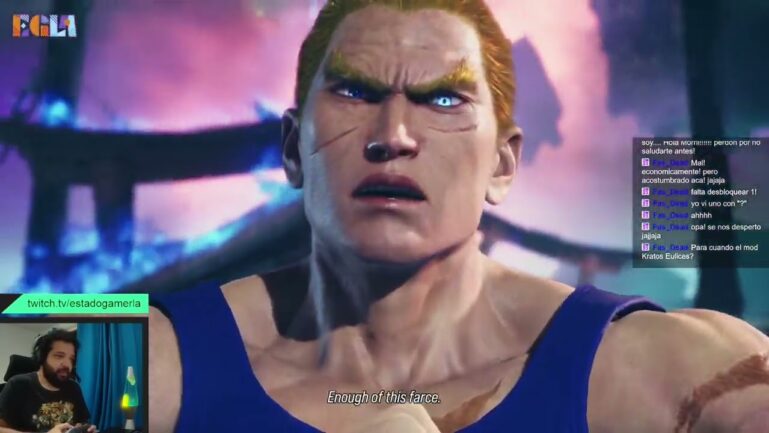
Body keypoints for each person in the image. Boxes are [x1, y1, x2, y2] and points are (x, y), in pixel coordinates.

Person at [149, 1, 769, 432]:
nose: (394, 135)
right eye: (355, 93)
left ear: (502, 163)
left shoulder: (664, 363)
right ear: (292, 149)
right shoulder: (146, 348)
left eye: (444, 100)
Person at [0, 329, 96, 433]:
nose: (67, 364)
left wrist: (83, 429)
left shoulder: (74, 387)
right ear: (42, 357)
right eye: (59, 356)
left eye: (71, 359)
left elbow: (81, 422)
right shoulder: (18, 385)